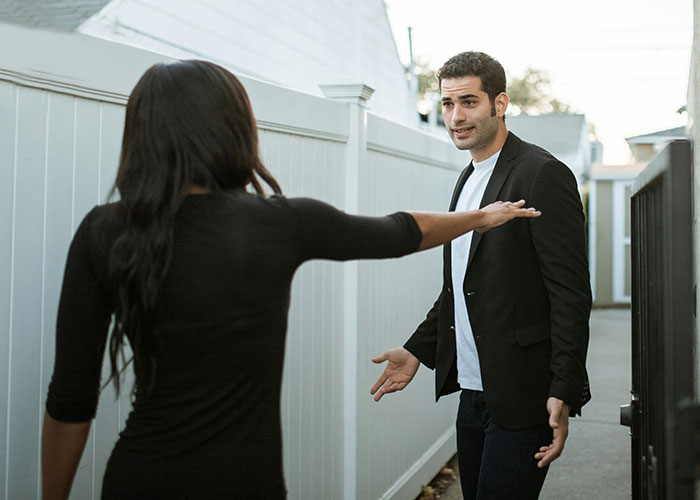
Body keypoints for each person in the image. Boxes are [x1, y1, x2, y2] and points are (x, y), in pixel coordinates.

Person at [40, 59, 541, 500]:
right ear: (232, 128)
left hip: (139, 476)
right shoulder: (277, 223)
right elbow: (400, 231)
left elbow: (70, 400)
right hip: (244, 482)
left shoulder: (105, 232)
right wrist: (480, 217)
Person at [371, 51, 592, 500]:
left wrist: (563, 388)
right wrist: (417, 350)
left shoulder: (542, 173)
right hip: (471, 394)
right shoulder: (468, 178)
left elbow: (570, 292)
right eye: (447, 104)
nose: (456, 116)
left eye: (469, 102)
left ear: (500, 103)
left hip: (523, 395)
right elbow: (461, 286)